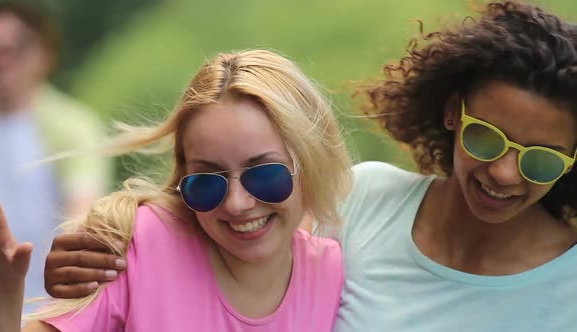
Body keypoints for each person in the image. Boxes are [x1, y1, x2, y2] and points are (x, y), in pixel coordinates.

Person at [40, 1, 577, 331]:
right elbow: (237, 228)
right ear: (451, 114)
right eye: (487, 138)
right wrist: (110, 240)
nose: (505, 173)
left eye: (542, 158)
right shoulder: (364, 200)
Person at [0, 49, 353, 331]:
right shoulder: (139, 243)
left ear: (310, 162)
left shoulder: (334, 273)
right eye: (207, 182)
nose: (237, 204)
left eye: (265, 175)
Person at [0, 3, 111, 311]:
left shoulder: (72, 125)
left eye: (16, 46)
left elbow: (83, 212)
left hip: (49, 306)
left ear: (44, 53)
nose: (2, 59)